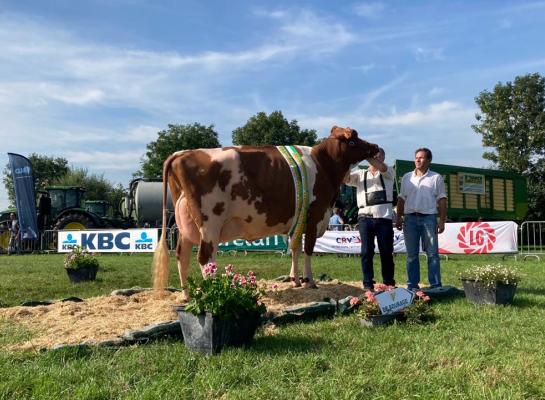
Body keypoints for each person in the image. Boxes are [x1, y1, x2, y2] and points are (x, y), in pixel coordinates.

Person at [395, 148, 447, 290]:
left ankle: (435, 285)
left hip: (429, 219)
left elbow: (442, 200)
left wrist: (442, 220)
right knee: (411, 255)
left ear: (429, 160)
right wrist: (398, 217)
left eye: (422, 157)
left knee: (432, 254)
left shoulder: (436, 177)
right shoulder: (407, 177)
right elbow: (401, 199)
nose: (418, 160)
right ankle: (412, 285)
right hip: (410, 219)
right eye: (416, 157)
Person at [345, 147, 395, 291]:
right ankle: (368, 283)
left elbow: (380, 166)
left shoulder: (389, 171)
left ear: (383, 158)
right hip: (365, 218)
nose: (377, 158)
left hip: (384, 217)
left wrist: (364, 154)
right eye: (375, 156)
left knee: (386, 252)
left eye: (379, 156)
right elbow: (345, 179)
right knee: (366, 251)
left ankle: (389, 282)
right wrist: (348, 163)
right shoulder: (360, 174)